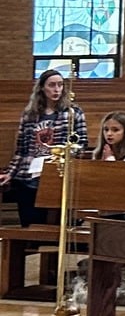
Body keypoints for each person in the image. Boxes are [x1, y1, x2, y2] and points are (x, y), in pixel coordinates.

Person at [8, 70, 85, 227]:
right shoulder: (29, 114)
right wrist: (9, 173)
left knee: (52, 224)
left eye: (60, 85)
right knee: (30, 223)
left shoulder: (73, 112)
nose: (57, 89)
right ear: (42, 88)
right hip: (29, 175)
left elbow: (81, 144)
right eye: (52, 85)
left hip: (57, 172)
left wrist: (64, 154)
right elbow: (21, 150)